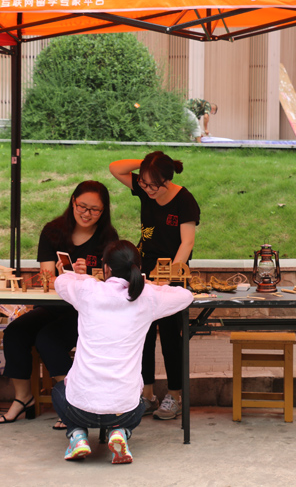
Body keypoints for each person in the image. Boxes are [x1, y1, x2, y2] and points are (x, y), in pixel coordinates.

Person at [52, 240, 194, 463]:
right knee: (138, 401)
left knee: (59, 391)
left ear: (106, 268)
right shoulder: (147, 297)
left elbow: (60, 281)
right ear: (138, 268)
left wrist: (86, 277)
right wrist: (151, 285)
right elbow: (185, 296)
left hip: (80, 409)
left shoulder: (88, 290)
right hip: (124, 410)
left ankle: (77, 436)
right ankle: (120, 432)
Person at [0, 181, 119, 426]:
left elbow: (111, 282)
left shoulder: (108, 238)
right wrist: (64, 278)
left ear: (103, 210)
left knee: (49, 339)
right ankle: (23, 398)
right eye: (82, 206)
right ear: (73, 201)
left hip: (86, 311)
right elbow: (46, 277)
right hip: (53, 305)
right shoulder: (53, 231)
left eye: (94, 210)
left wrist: (86, 276)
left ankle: (71, 402)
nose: (87, 213)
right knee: (16, 332)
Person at [109, 151, 200, 420]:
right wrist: (146, 166)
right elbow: (115, 168)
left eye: (153, 185)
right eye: (144, 184)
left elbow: (187, 242)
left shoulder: (184, 200)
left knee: (170, 336)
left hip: (172, 273)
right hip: (143, 272)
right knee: (143, 334)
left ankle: (174, 395)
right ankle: (146, 394)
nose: (147, 190)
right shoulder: (144, 187)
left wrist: (168, 276)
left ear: (167, 180)